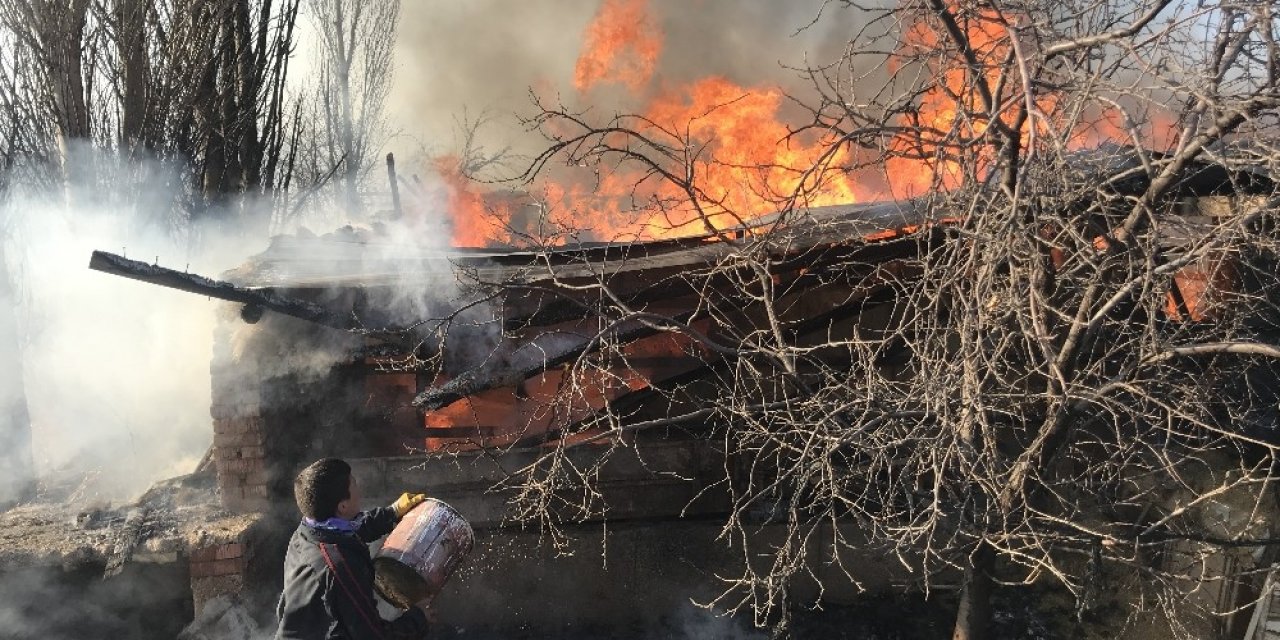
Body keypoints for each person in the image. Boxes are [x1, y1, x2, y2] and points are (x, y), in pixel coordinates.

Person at [275, 457, 431, 639]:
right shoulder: (340, 567)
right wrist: (418, 618)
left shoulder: (307, 532)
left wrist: (393, 512)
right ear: (342, 505)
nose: (360, 489)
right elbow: (372, 635)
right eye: (354, 484)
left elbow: (354, 528)